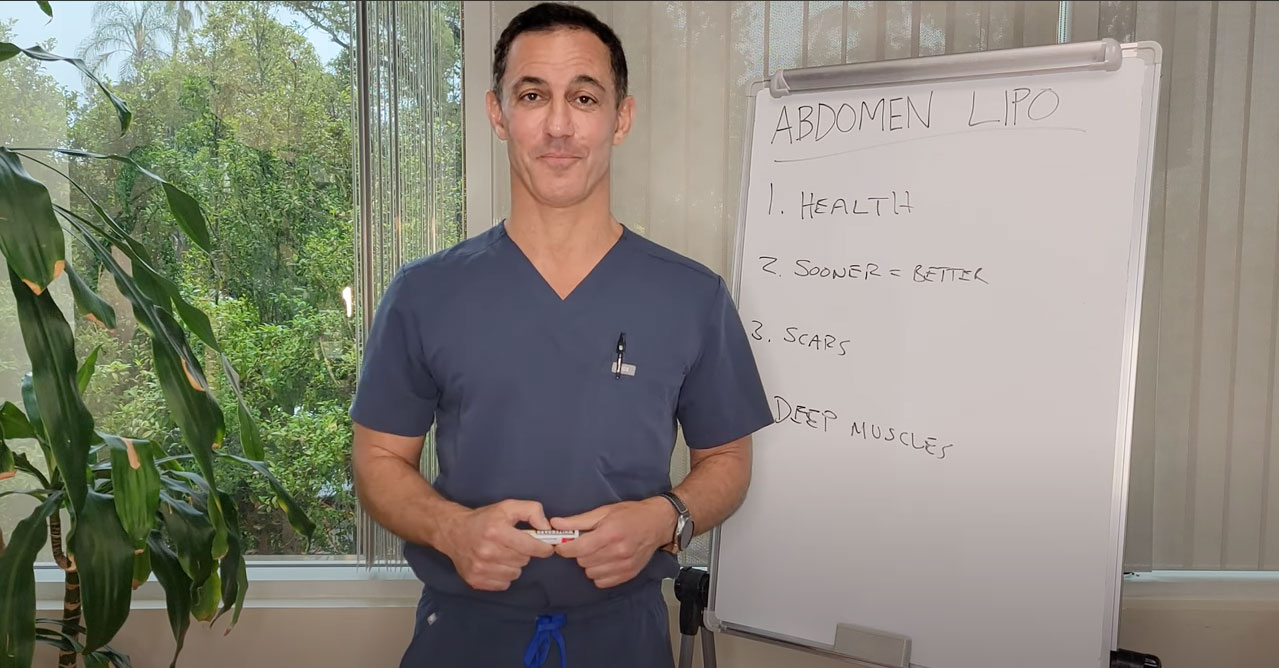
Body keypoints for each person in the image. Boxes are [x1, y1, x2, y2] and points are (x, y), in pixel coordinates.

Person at [349, 3, 773, 667]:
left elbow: (727, 463)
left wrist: (663, 518)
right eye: (531, 95)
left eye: (583, 97)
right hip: (462, 637)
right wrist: (451, 529)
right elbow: (377, 462)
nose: (557, 125)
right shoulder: (425, 293)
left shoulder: (691, 296)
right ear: (497, 114)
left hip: (625, 638)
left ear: (620, 118)